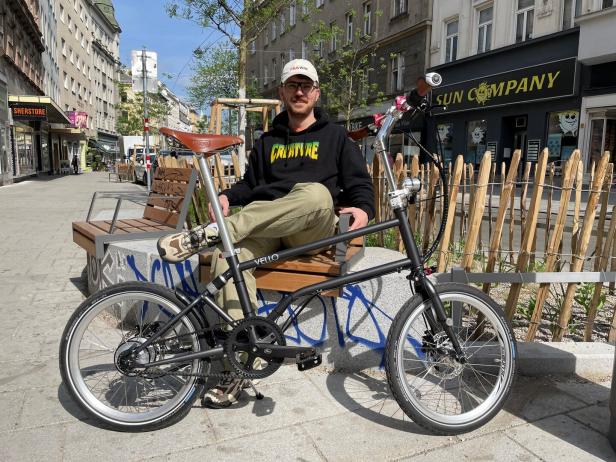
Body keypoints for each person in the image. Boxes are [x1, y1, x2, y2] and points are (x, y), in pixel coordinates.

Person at [157, 59, 375, 407]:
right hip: (270, 227)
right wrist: (228, 196)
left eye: (306, 85)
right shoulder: (268, 140)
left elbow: (360, 184)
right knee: (231, 261)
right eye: (293, 85)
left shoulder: (336, 137)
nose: (300, 91)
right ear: (282, 92)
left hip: (309, 229)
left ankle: (214, 233)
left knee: (316, 193)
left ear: (316, 93)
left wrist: (363, 209)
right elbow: (251, 186)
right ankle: (241, 362)